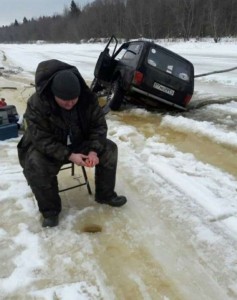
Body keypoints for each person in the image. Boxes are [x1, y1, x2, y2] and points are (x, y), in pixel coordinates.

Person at [17, 59, 127, 228]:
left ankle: (106, 195)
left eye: (73, 100)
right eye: (64, 101)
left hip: (78, 142)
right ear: (53, 94)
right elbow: (41, 140)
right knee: (35, 164)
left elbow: (98, 125)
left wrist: (93, 151)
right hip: (50, 148)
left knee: (110, 149)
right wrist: (69, 155)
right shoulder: (37, 104)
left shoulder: (87, 97)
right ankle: (50, 212)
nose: (70, 104)